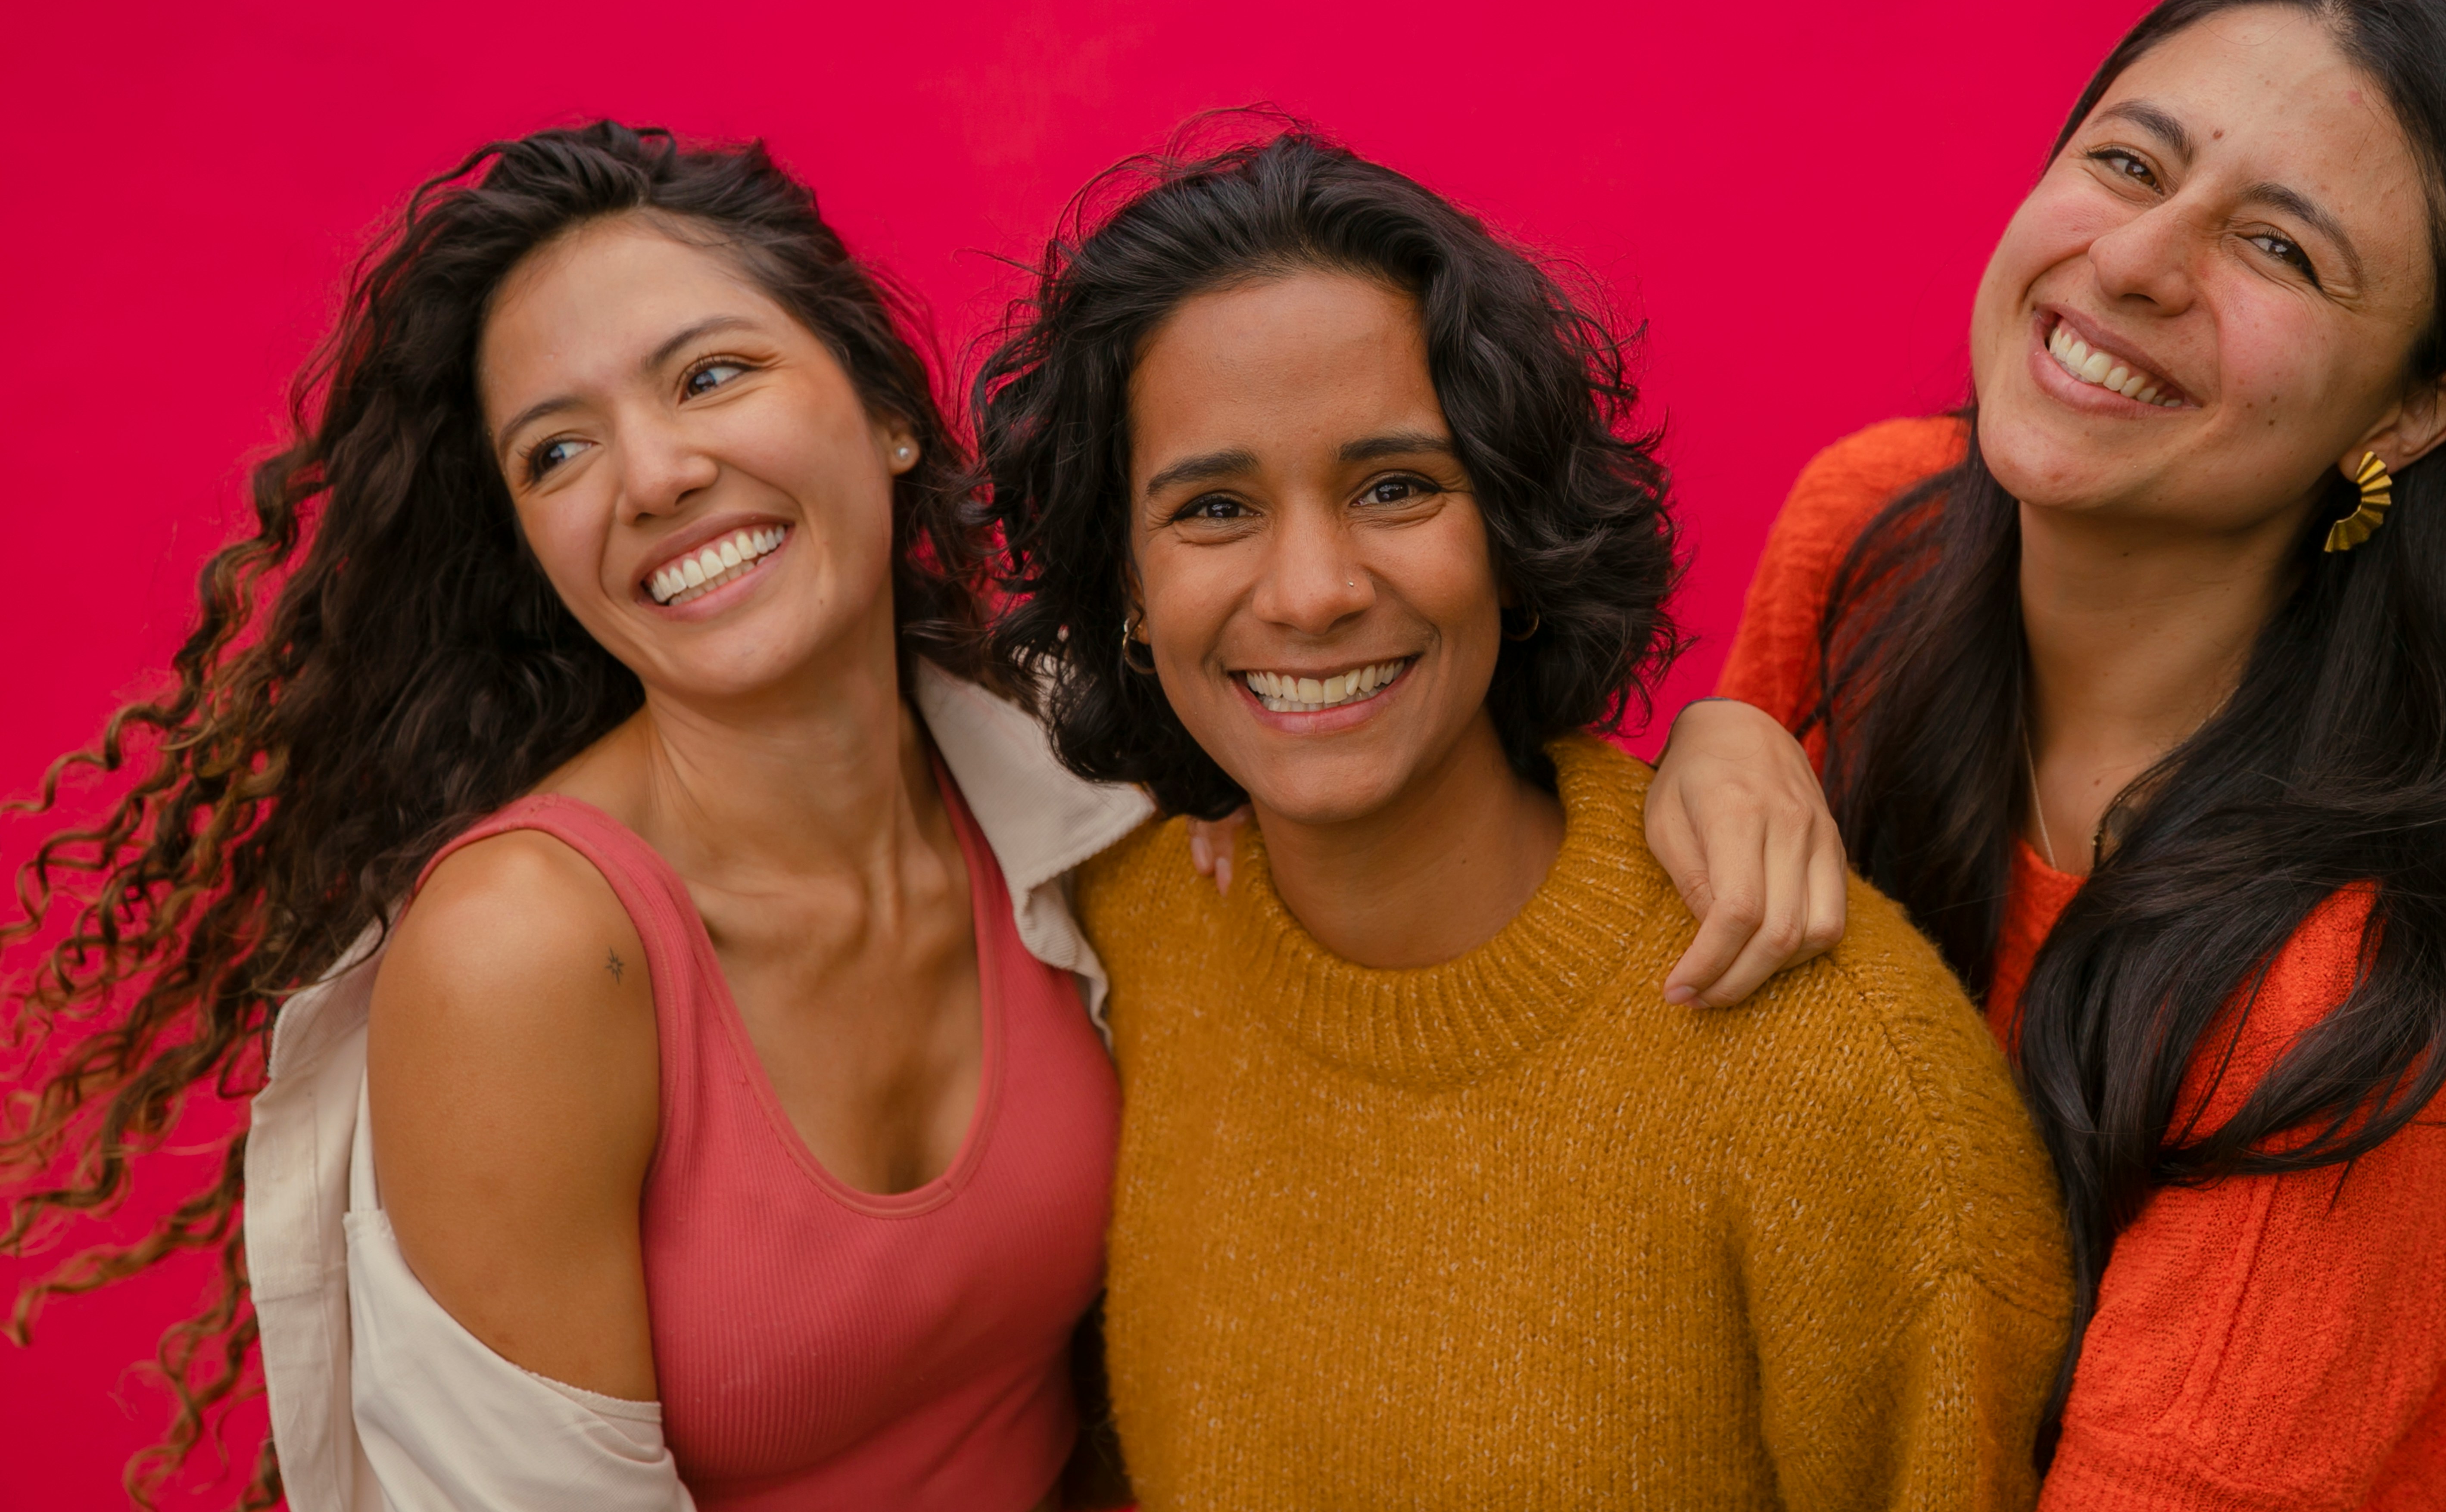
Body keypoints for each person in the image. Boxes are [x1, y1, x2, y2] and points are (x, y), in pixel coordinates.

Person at [0, 123, 1838, 1508]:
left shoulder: (1078, 781)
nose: (653, 473)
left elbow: (1378, 679)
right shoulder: (535, 954)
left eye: (710, 373)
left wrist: (1718, 747)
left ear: (883, 412)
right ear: (536, 546)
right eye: (556, 450)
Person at [974, 128, 2076, 1509]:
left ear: (1513, 530)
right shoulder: (1114, 931)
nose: (1311, 589)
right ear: (1125, 590)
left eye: (1395, 487)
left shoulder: (1831, 1071)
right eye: (1212, 507)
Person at [1672, 0, 2446, 1505]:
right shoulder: (1872, 539)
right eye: (2126, 161)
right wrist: (1709, 753)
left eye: (2276, 247)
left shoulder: (2344, 971)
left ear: (2407, 416)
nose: (2135, 260)